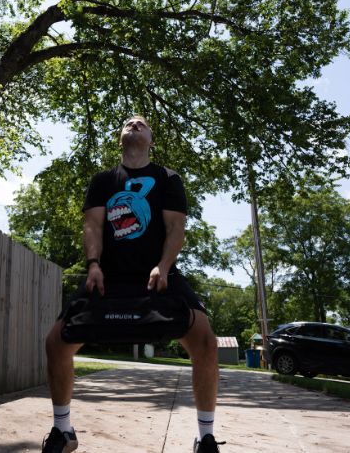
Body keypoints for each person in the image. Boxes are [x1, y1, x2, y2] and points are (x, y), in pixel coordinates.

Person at [41, 115, 223, 453]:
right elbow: (93, 226)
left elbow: (175, 229)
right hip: (107, 274)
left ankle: (206, 437)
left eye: (142, 123)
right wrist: (93, 265)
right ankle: (63, 431)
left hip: (159, 273)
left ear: (151, 139)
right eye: (128, 122)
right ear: (120, 138)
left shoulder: (168, 179)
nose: (135, 124)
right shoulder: (103, 180)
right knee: (56, 342)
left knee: (206, 343)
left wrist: (164, 266)